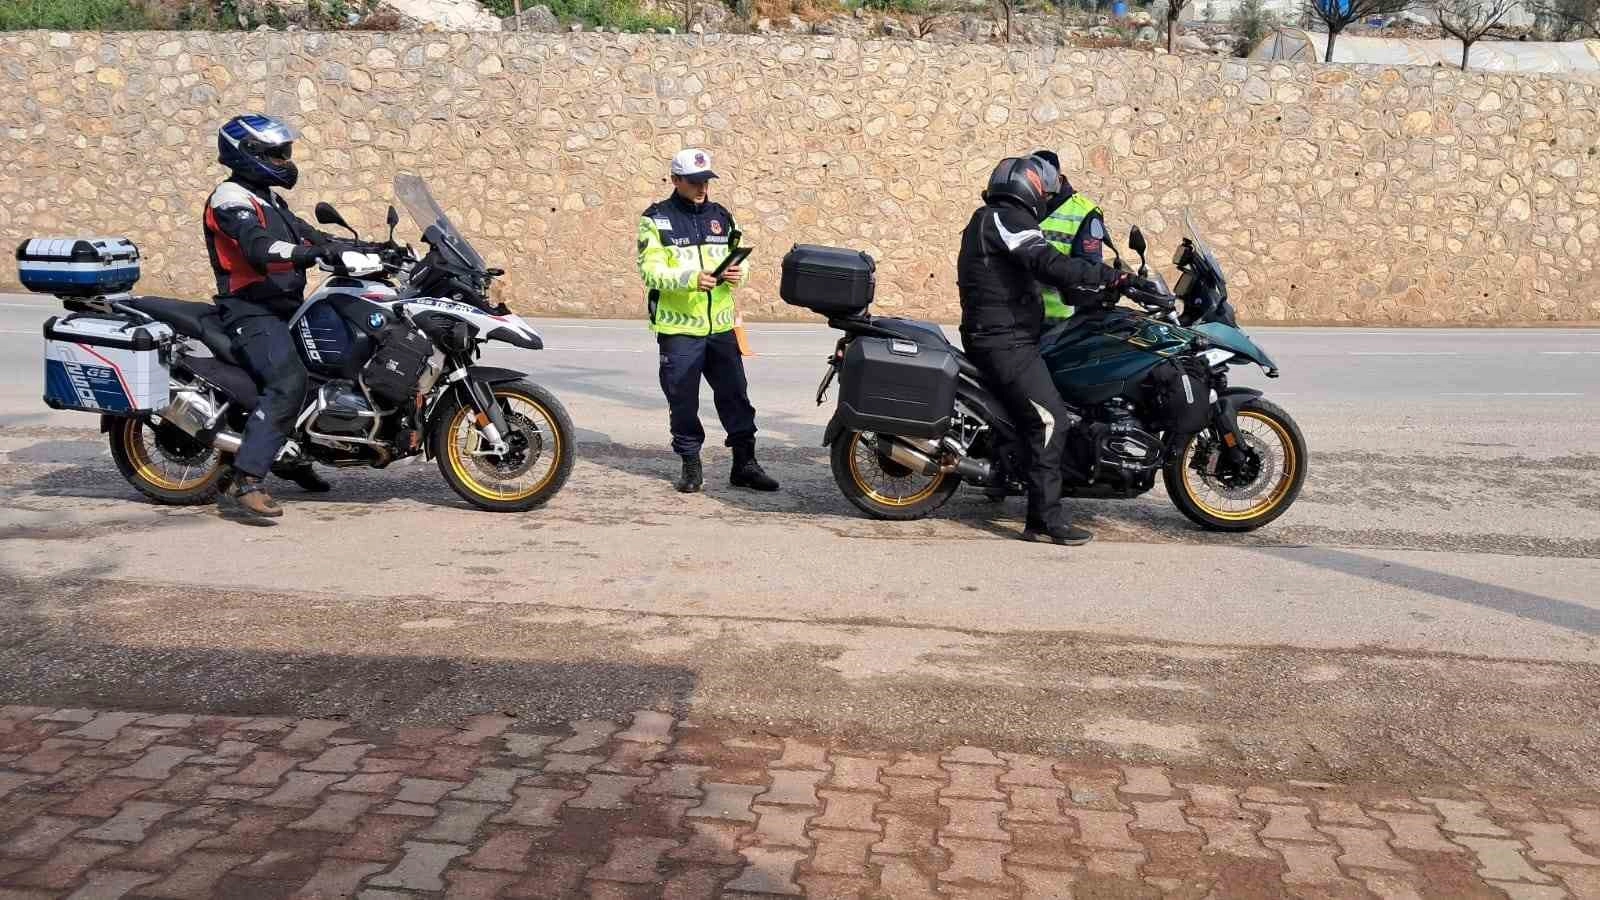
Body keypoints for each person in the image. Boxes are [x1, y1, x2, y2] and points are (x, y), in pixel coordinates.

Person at [956, 155, 1152, 546]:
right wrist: (1114, 278)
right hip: (1005, 341)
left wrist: (1096, 284)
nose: (1045, 198)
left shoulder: (994, 217)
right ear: (1027, 188)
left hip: (1009, 335)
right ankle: (1044, 520)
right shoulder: (1005, 219)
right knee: (1049, 421)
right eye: (1042, 192)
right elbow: (1047, 262)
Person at [204, 113, 340, 520]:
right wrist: (310, 254)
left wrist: (367, 248)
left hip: (284, 305)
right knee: (287, 382)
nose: (285, 161)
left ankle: (292, 455)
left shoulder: (268, 198)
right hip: (250, 309)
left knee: (326, 368)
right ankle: (246, 479)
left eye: (285, 153)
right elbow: (258, 246)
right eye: (277, 154)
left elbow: (310, 234)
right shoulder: (230, 199)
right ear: (248, 153)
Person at [636, 148, 779, 495]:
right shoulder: (656, 219)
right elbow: (650, 271)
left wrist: (738, 273)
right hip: (679, 329)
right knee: (683, 401)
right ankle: (690, 464)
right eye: (694, 181)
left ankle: (745, 465)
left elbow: (740, 258)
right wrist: (690, 279)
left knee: (736, 397)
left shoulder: (722, 216)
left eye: (706, 181)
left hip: (721, 327)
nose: (702, 188)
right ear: (675, 180)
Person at [1029, 149, 1114, 323]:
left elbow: (1088, 270)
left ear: (1057, 178)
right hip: (1019, 316)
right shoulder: (1023, 205)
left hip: (1060, 321)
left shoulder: (1084, 212)